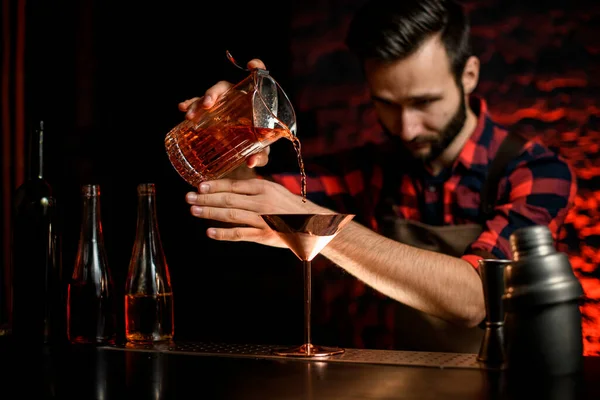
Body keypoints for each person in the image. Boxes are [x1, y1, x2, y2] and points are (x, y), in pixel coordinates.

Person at [178, 0, 577, 352]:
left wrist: (319, 225)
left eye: (424, 102)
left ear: (469, 75)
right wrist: (222, 136)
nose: (406, 128)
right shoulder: (371, 170)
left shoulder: (535, 171)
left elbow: (476, 298)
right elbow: (251, 195)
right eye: (386, 104)